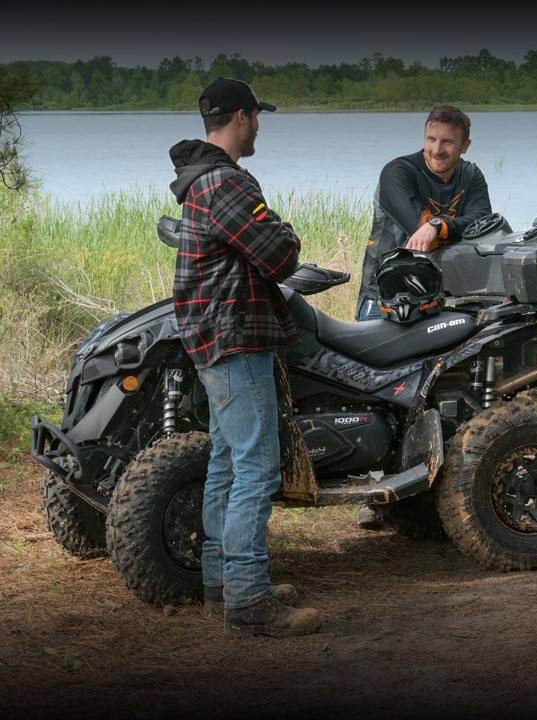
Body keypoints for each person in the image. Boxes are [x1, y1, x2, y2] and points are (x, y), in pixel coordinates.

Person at [168, 78, 321, 637]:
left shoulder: (200, 180)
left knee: (227, 462)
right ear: (240, 117)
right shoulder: (225, 183)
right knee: (257, 467)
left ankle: (222, 583)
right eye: (256, 117)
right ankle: (250, 599)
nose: (258, 127)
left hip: (214, 338)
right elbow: (280, 254)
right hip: (235, 336)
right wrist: (286, 231)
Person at [354, 105, 493, 321]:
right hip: (385, 298)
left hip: (440, 298)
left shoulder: (471, 176)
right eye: (431, 139)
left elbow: (483, 227)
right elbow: (424, 236)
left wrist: (438, 226)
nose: (437, 150)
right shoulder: (397, 172)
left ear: (465, 146)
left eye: (447, 142)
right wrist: (438, 228)